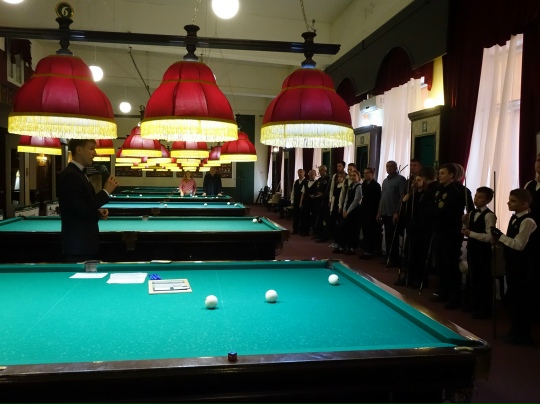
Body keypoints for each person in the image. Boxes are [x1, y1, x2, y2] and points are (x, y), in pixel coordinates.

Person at [57, 139, 118, 263]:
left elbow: (81, 205)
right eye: (91, 149)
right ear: (79, 149)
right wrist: (106, 191)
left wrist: (97, 212)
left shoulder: (78, 173)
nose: (95, 153)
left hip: (82, 246)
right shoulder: (70, 175)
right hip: (77, 247)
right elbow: (82, 210)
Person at [491, 189, 537, 345]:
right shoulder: (514, 217)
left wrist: (501, 236)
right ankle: (515, 331)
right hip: (512, 264)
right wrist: (499, 240)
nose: (508, 203)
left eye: (513, 201)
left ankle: (523, 335)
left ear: (525, 204)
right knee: (514, 300)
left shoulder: (528, 221)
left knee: (522, 301)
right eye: (509, 199)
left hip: (524, 267)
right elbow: (510, 241)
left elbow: (518, 245)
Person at [430, 164, 466, 309]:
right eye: (439, 173)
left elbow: (462, 211)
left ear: (451, 175)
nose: (439, 175)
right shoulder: (439, 189)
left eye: (443, 173)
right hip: (439, 231)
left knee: (451, 264)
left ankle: (455, 296)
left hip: (451, 233)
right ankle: (444, 290)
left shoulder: (458, 191)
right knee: (440, 263)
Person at [461, 187, 496, 318]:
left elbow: (489, 237)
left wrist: (471, 233)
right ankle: (472, 304)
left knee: (483, 279)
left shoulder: (489, 215)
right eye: (476, 196)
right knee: (473, 277)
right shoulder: (471, 213)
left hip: (483, 251)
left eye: (480, 197)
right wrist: (464, 223)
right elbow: (465, 230)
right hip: (472, 249)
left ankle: (484, 308)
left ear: (488, 200)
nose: (476, 199)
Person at [377, 160, 407, 267]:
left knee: (393, 237)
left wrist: (397, 212)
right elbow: (382, 197)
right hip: (385, 212)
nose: (389, 168)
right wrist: (379, 212)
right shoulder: (385, 181)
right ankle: (388, 257)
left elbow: (402, 197)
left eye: (391, 166)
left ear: (395, 167)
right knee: (388, 236)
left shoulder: (400, 179)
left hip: (393, 213)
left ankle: (394, 259)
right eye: (387, 166)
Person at [333, 169, 363, 255]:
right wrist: (344, 209)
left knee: (353, 230)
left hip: (355, 210)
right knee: (343, 228)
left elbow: (356, 200)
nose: (352, 177)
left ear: (358, 177)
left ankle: (352, 247)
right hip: (347, 210)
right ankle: (343, 246)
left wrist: (348, 211)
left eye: (354, 175)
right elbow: (346, 198)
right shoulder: (350, 185)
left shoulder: (359, 186)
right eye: (351, 176)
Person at [317, 161, 346, 242]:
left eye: (340, 166)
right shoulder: (334, 176)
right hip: (334, 200)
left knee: (339, 222)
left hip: (342, 202)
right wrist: (330, 200)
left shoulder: (346, 176)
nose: (338, 168)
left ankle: (338, 240)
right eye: (337, 166)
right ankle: (327, 237)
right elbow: (332, 189)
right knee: (331, 220)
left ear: (343, 167)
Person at [359, 167, 382, 259]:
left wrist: (378, 212)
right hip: (364, 209)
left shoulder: (376, 185)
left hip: (372, 211)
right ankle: (366, 250)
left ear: (372, 174)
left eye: (368, 173)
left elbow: (378, 200)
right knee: (365, 230)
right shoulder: (364, 184)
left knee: (370, 231)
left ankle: (370, 251)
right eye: (364, 173)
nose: (365, 175)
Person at [311, 164, 330, 240]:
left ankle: (325, 236)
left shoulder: (329, 179)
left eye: (321, 170)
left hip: (325, 202)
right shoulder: (319, 180)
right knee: (318, 219)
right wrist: (314, 195)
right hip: (318, 202)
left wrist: (323, 194)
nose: (320, 172)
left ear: (325, 170)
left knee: (325, 220)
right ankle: (319, 233)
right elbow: (316, 189)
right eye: (319, 170)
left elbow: (330, 191)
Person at [299, 169, 317, 236]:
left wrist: (314, 196)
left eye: (312, 174)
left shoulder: (317, 182)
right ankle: (305, 231)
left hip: (314, 202)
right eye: (309, 174)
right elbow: (303, 193)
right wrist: (300, 203)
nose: (310, 175)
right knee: (305, 217)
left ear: (315, 174)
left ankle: (314, 232)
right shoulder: (306, 182)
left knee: (314, 217)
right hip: (306, 202)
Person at [290, 169, 306, 235]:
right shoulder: (295, 182)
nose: (299, 173)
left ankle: (301, 230)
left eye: (301, 172)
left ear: (304, 173)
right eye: (298, 172)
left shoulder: (306, 181)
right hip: (296, 200)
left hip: (303, 201)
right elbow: (293, 191)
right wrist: (292, 200)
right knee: (296, 216)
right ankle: (295, 230)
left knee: (302, 216)